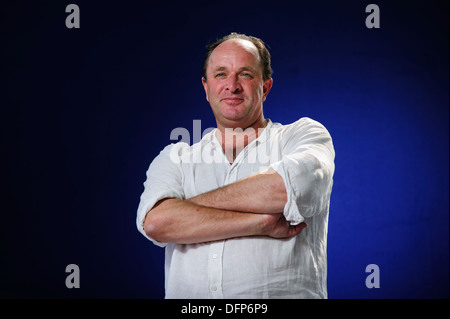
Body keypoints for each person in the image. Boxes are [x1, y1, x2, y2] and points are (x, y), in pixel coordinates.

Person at [136, 32, 335, 299]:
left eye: (245, 74)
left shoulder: (302, 136)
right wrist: (259, 223)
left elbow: (286, 190)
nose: (232, 85)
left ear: (265, 87)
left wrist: (187, 209)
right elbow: (158, 223)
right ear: (206, 89)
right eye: (221, 74)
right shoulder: (176, 157)